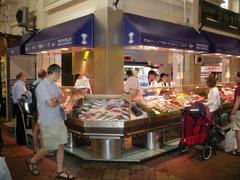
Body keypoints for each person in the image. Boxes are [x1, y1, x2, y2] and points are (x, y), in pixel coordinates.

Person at [26, 64, 74, 179]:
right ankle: (32, 161)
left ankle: (59, 171)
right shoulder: (42, 86)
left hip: (58, 119)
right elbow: (51, 104)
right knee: (49, 148)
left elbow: (63, 97)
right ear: (55, 73)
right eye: (59, 74)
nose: (59, 76)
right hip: (47, 121)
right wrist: (56, 100)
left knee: (61, 144)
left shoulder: (54, 85)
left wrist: (56, 100)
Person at [31, 69, 46, 153]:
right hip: (40, 108)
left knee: (36, 129)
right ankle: (42, 150)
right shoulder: (42, 84)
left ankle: (35, 147)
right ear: (45, 75)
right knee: (42, 131)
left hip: (34, 109)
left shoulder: (34, 83)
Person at [12, 72, 28, 145]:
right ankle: (21, 141)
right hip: (19, 107)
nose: (26, 78)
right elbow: (19, 99)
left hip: (18, 106)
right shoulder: (19, 85)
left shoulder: (19, 84)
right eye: (25, 76)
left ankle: (20, 140)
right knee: (21, 124)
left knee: (20, 123)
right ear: (21, 77)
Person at [229, 71, 240, 156]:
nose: (234, 78)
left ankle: (238, 149)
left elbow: (238, 101)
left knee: (238, 131)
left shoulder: (239, 88)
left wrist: (232, 113)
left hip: (238, 112)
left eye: (235, 76)